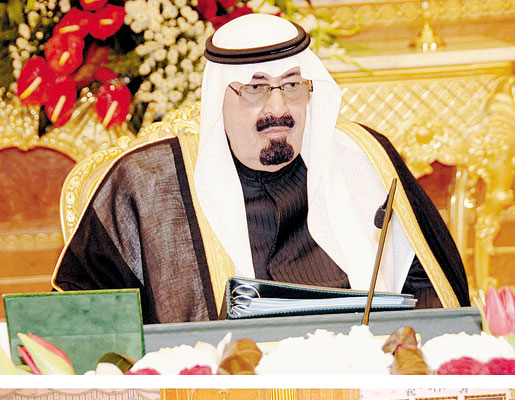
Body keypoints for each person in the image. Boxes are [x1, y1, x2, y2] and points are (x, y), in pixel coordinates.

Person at [52, 14, 469, 325]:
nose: (279, 109)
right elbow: (86, 320)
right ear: (221, 96)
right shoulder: (147, 184)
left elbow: (432, 292)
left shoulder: (365, 158)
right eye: (255, 88)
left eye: (292, 85)